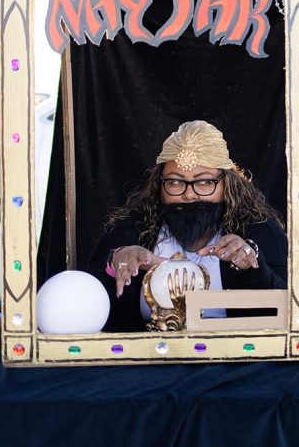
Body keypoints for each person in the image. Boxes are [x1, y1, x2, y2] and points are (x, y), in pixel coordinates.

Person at [88, 120, 287, 331]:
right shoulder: (129, 232)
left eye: (204, 182)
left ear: (227, 184)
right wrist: (115, 263)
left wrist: (252, 267)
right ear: (159, 185)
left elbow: (288, 311)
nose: (189, 194)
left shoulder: (260, 232)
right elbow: (86, 308)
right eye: (175, 182)